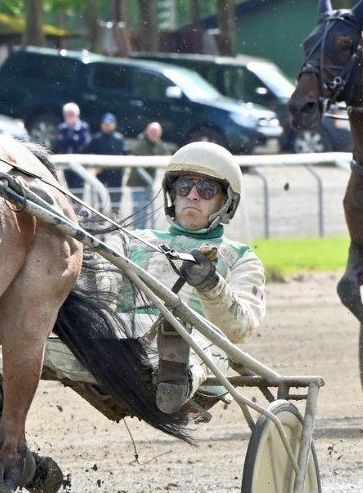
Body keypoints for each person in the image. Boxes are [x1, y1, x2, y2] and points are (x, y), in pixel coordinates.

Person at [103, 141, 266, 420]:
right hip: (123, 342)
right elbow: (101, 289)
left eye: (206, 189)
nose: (192, 196)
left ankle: (176, 375)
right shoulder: (131, 241)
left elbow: (241, 329)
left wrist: (211, 285)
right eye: (183, 187)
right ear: (172, 195)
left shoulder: (240, 258)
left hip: (198, 347)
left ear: (225, 201)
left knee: (208, 342)